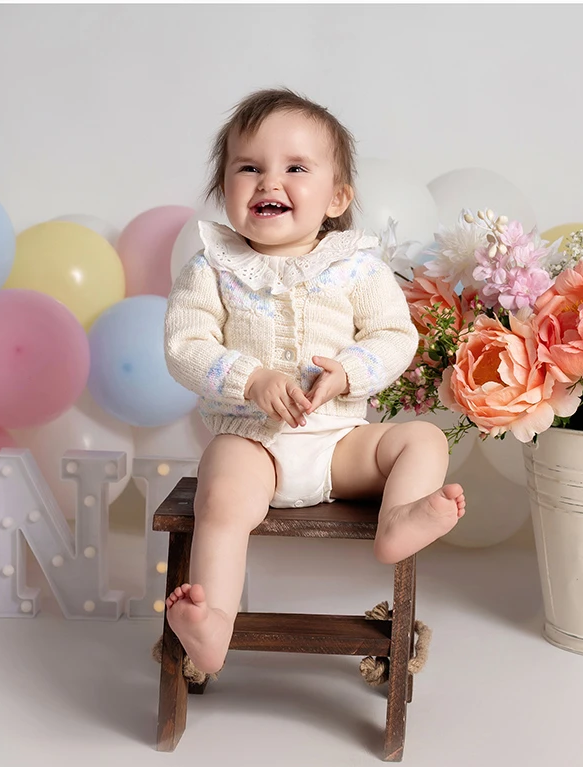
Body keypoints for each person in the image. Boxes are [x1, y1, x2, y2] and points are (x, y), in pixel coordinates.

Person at [163, 88, 466, 674]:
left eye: (295, 168)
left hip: (340, 443)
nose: (269, 182)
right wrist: (250, 379)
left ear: (337, 197)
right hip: (255, 444)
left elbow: (394, 336)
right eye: (248, 167)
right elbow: (185, 347)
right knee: (221, 496)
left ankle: (399, 520)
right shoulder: (211, 268)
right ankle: (213, 625)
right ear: (223, 187)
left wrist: (348, 371)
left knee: (424, 438)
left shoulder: (356, 267)